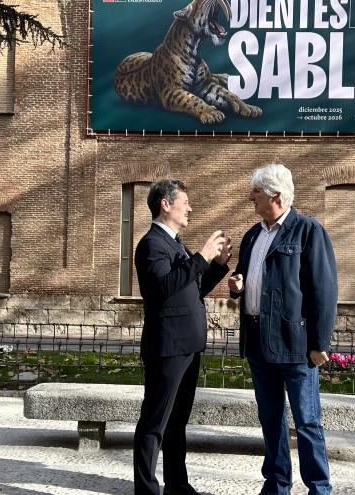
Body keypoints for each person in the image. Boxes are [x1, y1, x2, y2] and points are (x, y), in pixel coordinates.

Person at [228, 164, 338, 495]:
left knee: (307, 422)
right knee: (271, 420)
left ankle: (319, 488)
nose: (250, 197)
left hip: (296, 346)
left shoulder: (308, 231)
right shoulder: (252, 235)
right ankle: (276, 485)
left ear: (275, 195)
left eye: (256, 192)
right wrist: (236, 287)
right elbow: (243, 278)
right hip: (259, 344)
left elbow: (324, 291)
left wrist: (320, 342)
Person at [133, 178, 231, 495]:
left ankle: (177, 484)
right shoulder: (151, 245)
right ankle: (147, 489)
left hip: (187, 345)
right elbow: (162, 289)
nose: (190, 207)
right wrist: (200, 257)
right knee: (155, 422)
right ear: (166, 204)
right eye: (185, 201)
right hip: (167, 347)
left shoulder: (175, 243)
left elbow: (192, 288)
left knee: (177, 423)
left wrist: (217, 266)